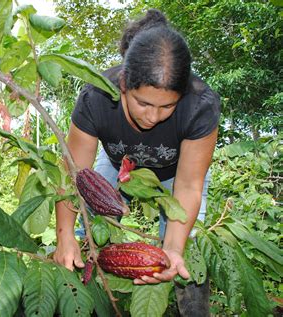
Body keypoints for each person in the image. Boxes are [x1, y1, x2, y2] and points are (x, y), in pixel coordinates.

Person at [53, 8, 220, 316]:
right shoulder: (97, 97)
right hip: (118, 166)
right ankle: (79, 293)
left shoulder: (200, 106)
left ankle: (193, 310)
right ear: (124, 84)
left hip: (174, 174)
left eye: (167, 106)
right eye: (143, 103)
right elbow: (74, 176)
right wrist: (63, 236)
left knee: (188, 245)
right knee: (82, 227)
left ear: (181, 95)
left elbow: (189, 184)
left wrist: (173, 248)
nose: (153, 116)